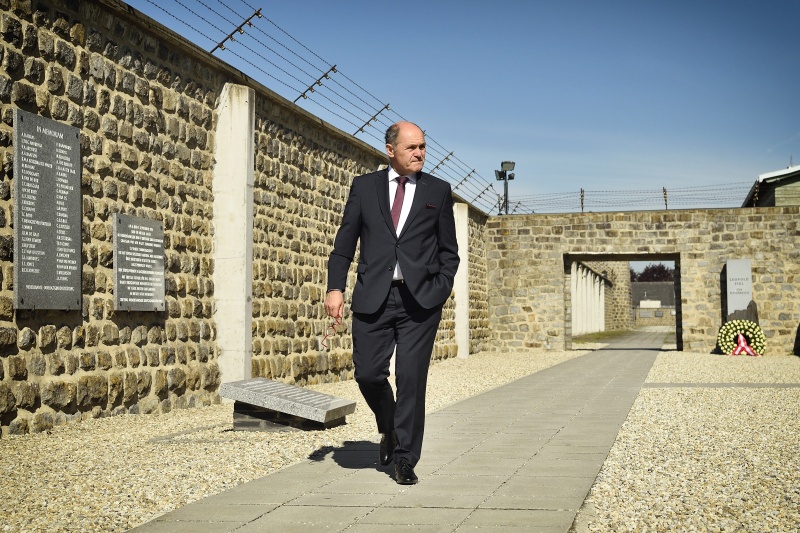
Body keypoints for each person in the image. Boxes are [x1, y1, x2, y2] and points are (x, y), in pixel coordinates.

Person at [324, 121, 460, 485]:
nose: (419, 153)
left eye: (422, 147)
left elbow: (450, 251)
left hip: (420, 302)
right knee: (368, 373)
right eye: (411, 147)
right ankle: (389, 427)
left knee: (411, 378)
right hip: (374, 296)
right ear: (390, 150)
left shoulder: (438, 190)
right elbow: (344, 242)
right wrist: (334, 288)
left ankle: (404, 458)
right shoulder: (364, 187)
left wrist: (440, 288)